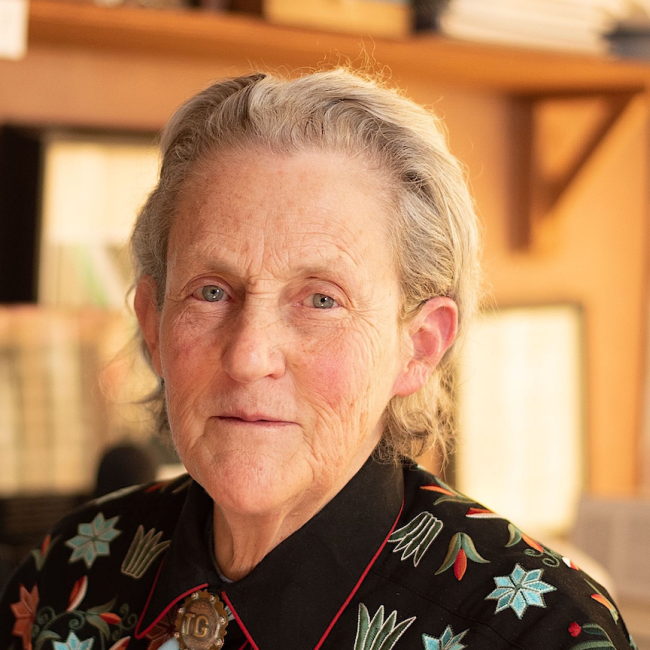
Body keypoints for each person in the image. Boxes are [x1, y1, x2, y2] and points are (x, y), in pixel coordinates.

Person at [0, 69, 636, 650]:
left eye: (321, 300)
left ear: (419, 345)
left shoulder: (541, 630)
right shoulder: (69, 572)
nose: (249, 356)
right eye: (211, 291)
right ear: (152, 324)